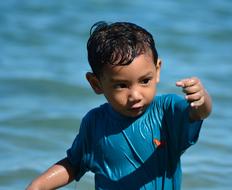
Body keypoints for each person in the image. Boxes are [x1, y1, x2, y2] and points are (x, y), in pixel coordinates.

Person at [27, 21, 212, 190]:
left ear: (157, 70)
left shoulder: (166, 112)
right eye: (121, 85)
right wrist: (38, 186)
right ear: (96, 84)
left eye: (145, 81)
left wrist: (201, 99)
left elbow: (198, 114)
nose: (135, 95)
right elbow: (74, 165)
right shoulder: (95, 123)